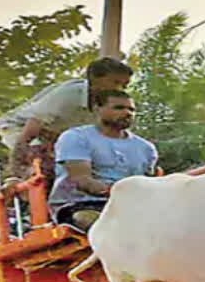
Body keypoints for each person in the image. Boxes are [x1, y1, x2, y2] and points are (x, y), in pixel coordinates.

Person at [0, 57, 133, 192]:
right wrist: (15, 171)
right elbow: (27, 134)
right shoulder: (69, 95)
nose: (120, 89)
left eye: (125, 86)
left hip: (54, 134)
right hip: (18, 127)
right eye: (116, 82)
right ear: (94, 79)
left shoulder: (107, 104)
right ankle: (19, 185)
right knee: (43, 166)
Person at [50, 89, 157, 230]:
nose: (127, 113)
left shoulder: (146, 148)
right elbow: (82, 181)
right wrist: (119, 191)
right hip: (81, 205)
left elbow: (149, 185)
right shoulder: (76, 137)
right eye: (119, 108)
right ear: (97, 109)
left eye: (131, 109)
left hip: (130, 207)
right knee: (98, 223)